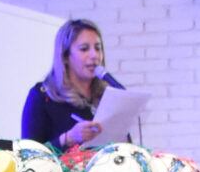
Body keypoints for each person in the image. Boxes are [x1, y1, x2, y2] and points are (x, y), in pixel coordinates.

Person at [20, 19, 127, 150]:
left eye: (98, 48)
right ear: (65, 56)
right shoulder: (43, 96)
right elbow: (27, 154)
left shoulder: (108, 97)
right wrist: (68, 138)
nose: (94, 55)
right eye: (84, 49)